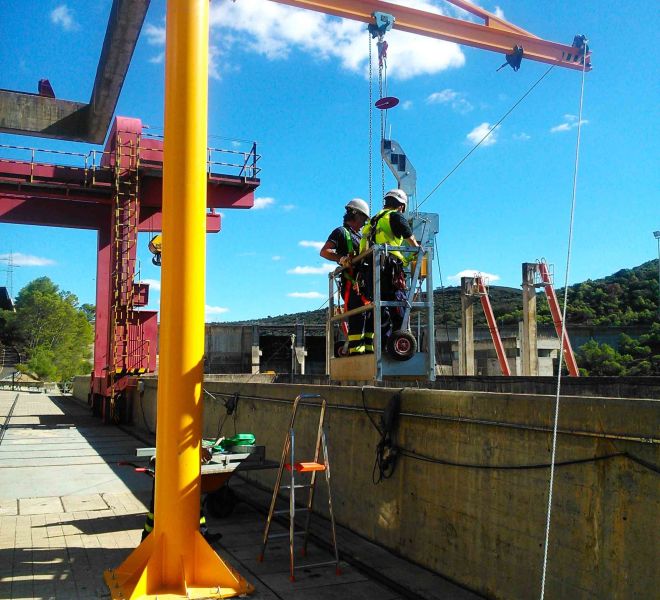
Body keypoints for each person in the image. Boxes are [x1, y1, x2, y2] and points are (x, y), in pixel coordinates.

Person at [359, 188, 420, 345]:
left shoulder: (374, 220)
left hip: (371, 269)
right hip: (389, 268)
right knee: (399, 305)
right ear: (401, 206)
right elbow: (408, 236)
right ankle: (399, 341)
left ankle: (384, 344)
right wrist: (417, 249)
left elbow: (363, 246)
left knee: (381, 308)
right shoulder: (394, 216)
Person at [320, 198, 370, 355]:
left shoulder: (360, 236)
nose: (364, 223)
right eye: (363, 219)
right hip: (351, 283)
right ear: (356, 215)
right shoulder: (341, 232)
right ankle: (357, 352)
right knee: (357, 316)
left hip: (363, 284)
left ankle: (368, 350)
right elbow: (324, 251)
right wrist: (340, 259)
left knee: (369, 315)